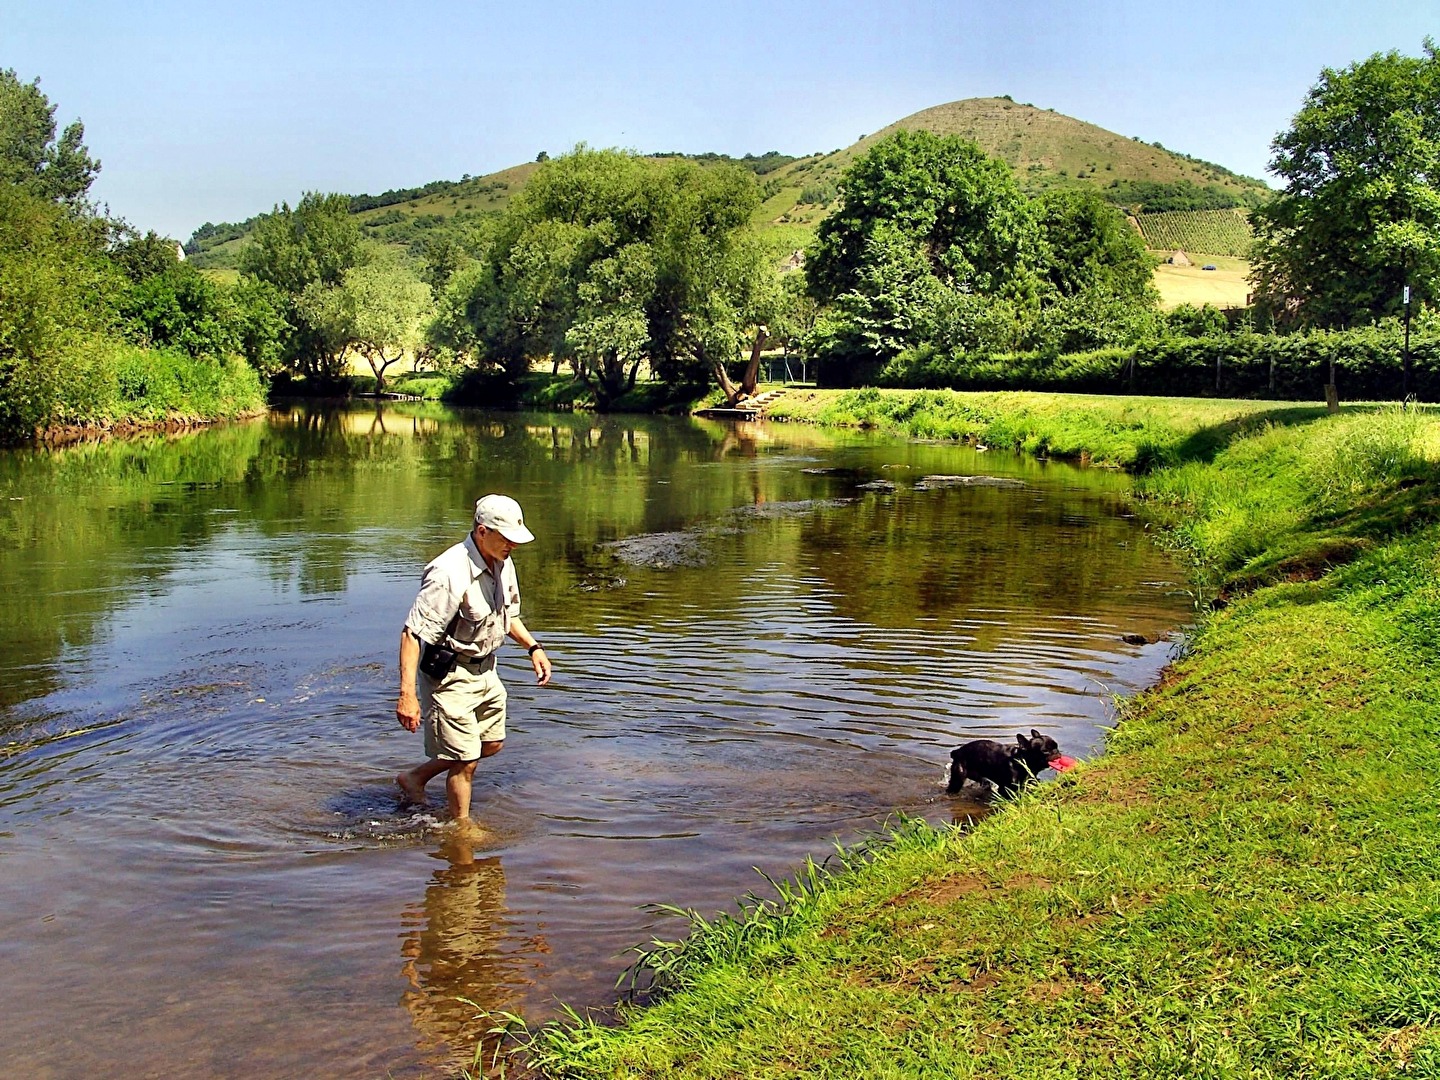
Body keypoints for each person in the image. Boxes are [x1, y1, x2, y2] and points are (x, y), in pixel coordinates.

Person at [395, 494, 552, 822]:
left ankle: (415, 778)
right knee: (465, 761)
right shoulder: (448, 573)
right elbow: (412, 633)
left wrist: (533, 648)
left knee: (492, 743)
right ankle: (461, 830)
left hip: (486, 671)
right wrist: (407, 696)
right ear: (482, 532)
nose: (513, 545)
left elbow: (507, 616)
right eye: (506, 538)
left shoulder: (503, 561)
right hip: (449, 676)